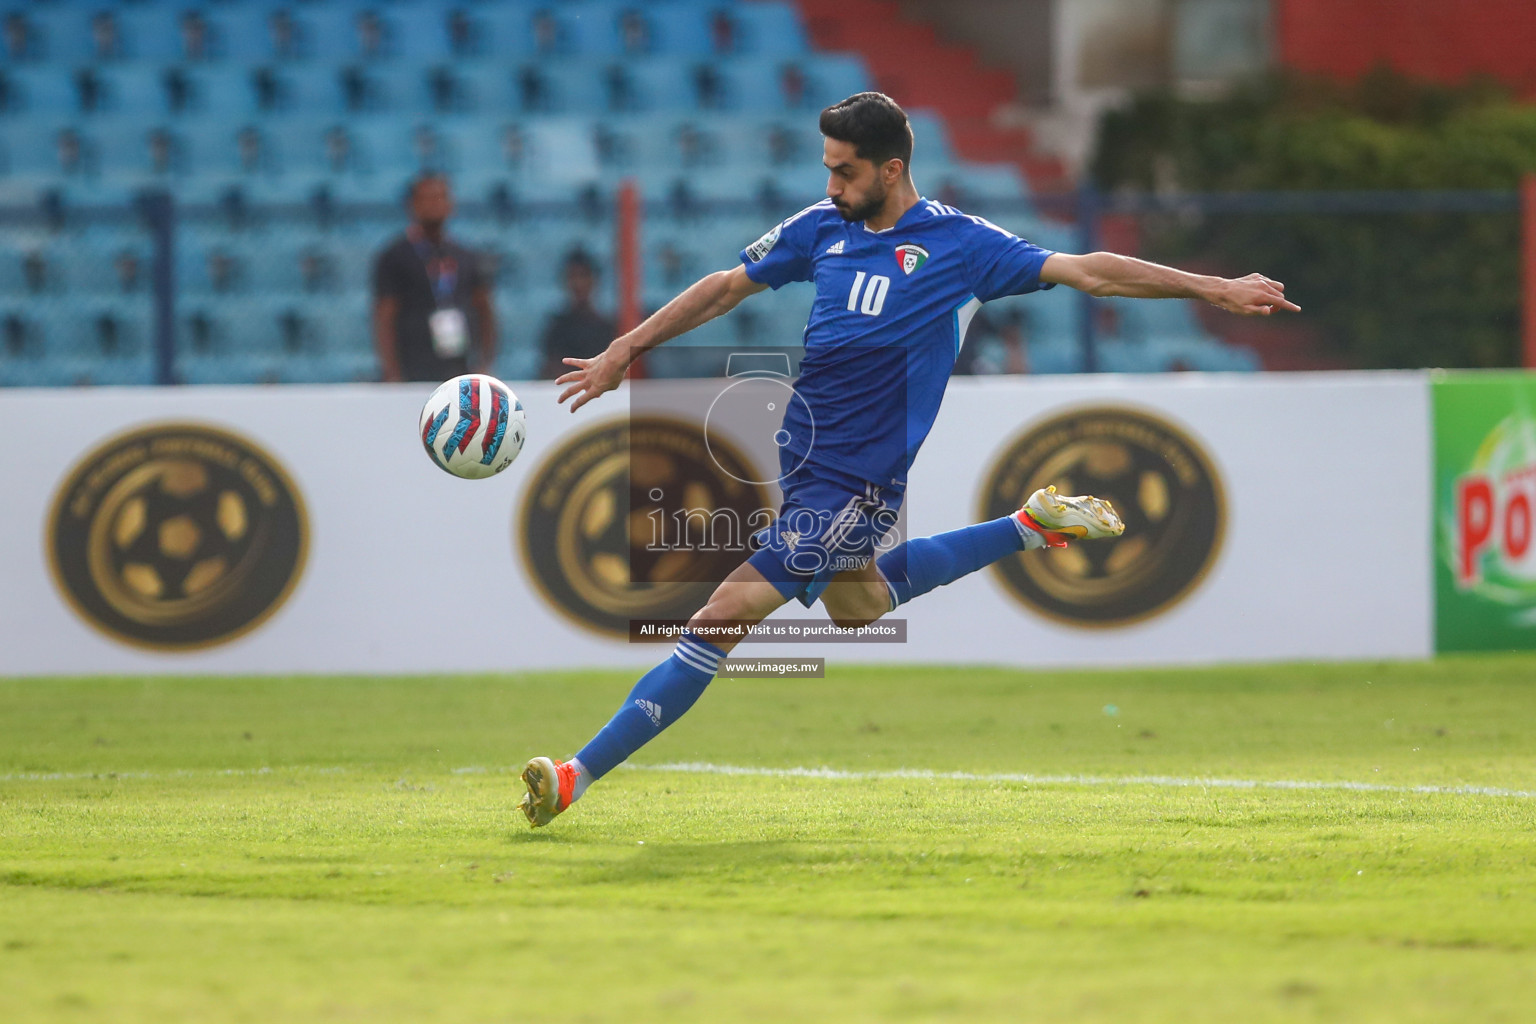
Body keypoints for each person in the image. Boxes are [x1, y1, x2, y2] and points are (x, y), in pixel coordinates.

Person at [519, 92, 1299, 826]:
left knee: (720, 615)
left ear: (891, 169)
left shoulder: (961, 247)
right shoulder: (821, 226)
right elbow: (727, 287)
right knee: (857, 607)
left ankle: (574, 776)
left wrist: (1214, 288)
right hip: (805, 467)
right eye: (826, 166)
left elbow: (1088, 270)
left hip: (858, 484)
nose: (830, 182)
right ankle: (1028, 526)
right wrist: (627, 346)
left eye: (845, 169)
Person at [371, 174, 497, 383]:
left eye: (440, 197)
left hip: (459, 363)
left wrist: (485, 362)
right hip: (412, 364)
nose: (434, 205)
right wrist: (391, 370)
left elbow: (484, 308)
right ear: (412, 205)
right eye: (427, 198)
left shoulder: (466, 255)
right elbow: (385, 315)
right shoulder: (394, 257)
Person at [537, 248, 614, 379]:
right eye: (573, 276)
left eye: (583, 275)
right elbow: (551, 372)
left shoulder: (609, 328)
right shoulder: (556, 328)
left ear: (594, 280)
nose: (578, 283)